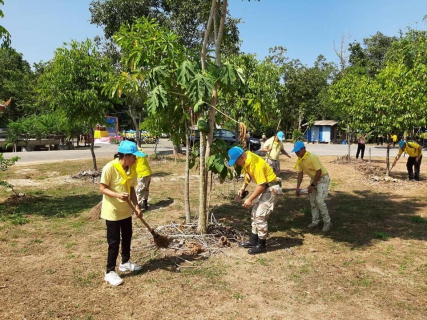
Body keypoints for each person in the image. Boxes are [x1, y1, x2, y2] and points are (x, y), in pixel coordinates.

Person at [100, 140, 145, 286]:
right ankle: (109, 272)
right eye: (134, 156)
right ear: (126, 155)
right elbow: (102, 188)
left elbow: (131, 189)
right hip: (112, 212)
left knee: (127, 237)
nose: (136, 159)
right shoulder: (110, 168)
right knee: (114, 242)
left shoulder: (131, 169)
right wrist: (118, 195)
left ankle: (125, 262)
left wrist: (137, 206)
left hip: (126, 211)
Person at [228, 146, 282, 255]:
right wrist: (243, 187)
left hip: (272, 189)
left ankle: (261, 245)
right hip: (266, 187)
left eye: (235, 161)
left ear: (241, 157)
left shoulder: (255, 163)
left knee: (260, 216)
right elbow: (248, 174)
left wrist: (249, 199)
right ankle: (253, 240)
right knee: (254, 214)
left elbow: (261, 185)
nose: (235, 164)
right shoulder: (247, 159)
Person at [292, 141, 332, 232]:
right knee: (313, 202)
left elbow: (319, 172)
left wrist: (312, 185)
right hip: (314, 179)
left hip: (322, 179)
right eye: (295, 151)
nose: (296, 153)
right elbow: (300, 174)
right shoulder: (300, 160)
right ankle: (315, 221)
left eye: (298, 151)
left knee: (320, 201)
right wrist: (297, 187)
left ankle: (327, 222)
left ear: (304, 149)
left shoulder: (312, 157)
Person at [126, 138, 152, 210]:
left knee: (139, 191)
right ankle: (145, 203)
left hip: (142, 173)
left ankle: (138, 207)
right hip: (147, 172)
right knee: (145, 189)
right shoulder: (140, 149)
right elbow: (146, 155)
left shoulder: (134, 152)